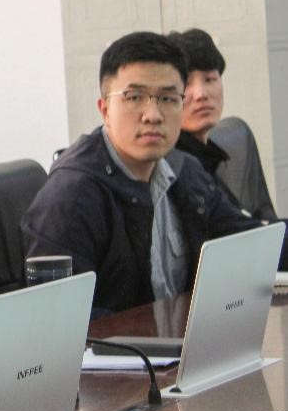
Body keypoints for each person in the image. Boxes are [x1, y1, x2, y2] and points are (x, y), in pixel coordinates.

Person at [22, 31, 288, 317]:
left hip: (183, 341)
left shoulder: (185, 172)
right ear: (105, 109)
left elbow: (257, 245)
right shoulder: (71, 197)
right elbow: (56, 320)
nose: (153, 115)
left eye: (168, 98)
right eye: (134, 97)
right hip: (122, 346)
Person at [170, 27, 277, 220]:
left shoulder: (210, 160)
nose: (201, 94)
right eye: (186, 83)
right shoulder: (173, 168)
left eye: (210, 79)